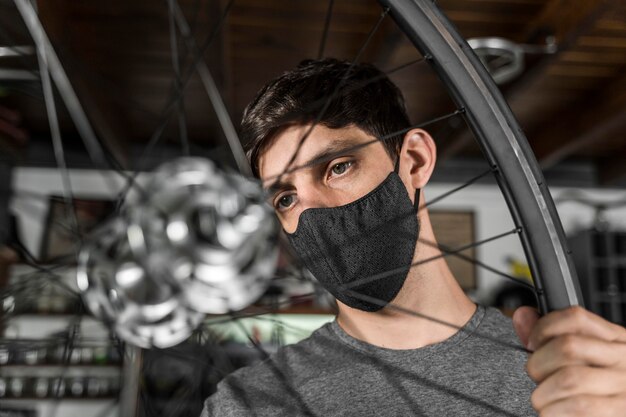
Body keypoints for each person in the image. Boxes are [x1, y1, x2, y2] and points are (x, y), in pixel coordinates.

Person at [201, 59, 626, 416]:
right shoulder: (246, 405)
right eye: (286, 198)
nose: (311, 212)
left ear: (415, 161)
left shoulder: (567, 371)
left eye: (337, 167)